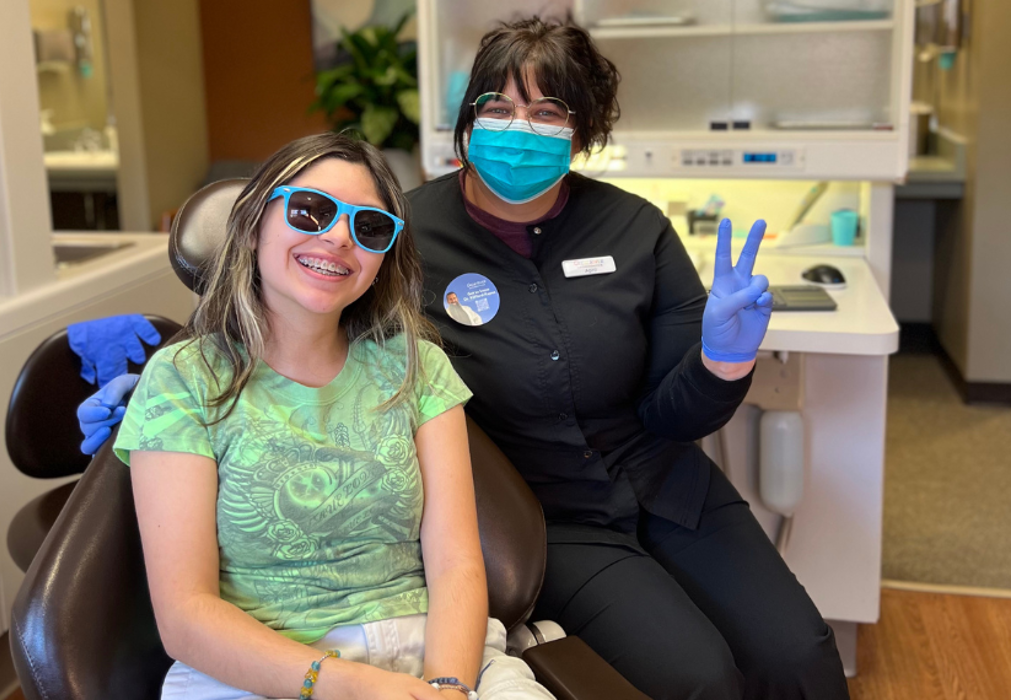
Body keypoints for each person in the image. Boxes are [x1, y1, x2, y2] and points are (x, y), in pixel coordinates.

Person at [79, 17, 850, 700]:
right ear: (467, 120)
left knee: (800, 652)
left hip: (667, 485)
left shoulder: (634, 227)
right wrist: (168, 370)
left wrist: (722, 359)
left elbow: (674, 413)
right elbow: (290, 308)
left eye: (549, 111)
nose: (521, 128)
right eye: (499, 107)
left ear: (583, 131)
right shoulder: (401, 232)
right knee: (700, 676)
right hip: (551, 515)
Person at [106, 132, 554, 700]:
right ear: (252, 225)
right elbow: (186, 614)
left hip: (440, 653)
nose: (340, 236)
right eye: (310, 210)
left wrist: (448, 686)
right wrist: (351, 685)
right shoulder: (184, 379)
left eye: (370, 227)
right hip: (266, 669)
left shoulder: (416, 367)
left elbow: (457, 566)